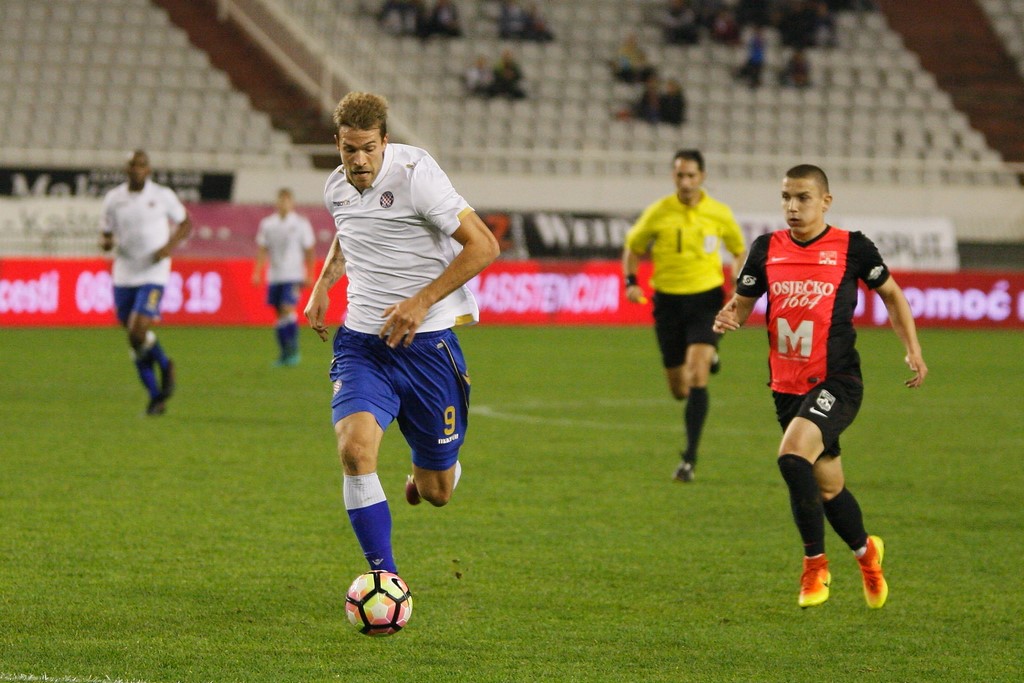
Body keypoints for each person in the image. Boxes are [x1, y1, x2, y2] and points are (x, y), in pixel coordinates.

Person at [713, 164, 927, 609]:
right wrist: (729, 315)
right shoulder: (766, 248)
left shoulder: (852, 247)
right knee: (827, 487)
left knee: (792, 459)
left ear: (825, 201)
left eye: (803, 198)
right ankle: (868, 554)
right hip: (786, 385)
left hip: (837, 380)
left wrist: (912, 348)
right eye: (786, 197)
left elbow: (892, 294)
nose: (793, 206)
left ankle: (815, 567)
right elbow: (743, 305)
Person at [304, 92, 499, 576]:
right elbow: (348, 234)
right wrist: (323, 286)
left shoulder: (417, 177)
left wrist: (421, 301)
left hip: (427, 346)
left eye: (369, 147)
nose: (360, 159)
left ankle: (426, 470)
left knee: (437, 494)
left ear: (385, 141)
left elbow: (485, 246)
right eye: (350, 149)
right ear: (338, 144)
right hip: (363, 344)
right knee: (353, 451)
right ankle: (384, 578)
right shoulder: (336, 188)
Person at [623, 149, 745, 482]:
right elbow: (634, 248)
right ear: (674, 177)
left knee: (697, 373)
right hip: (668, 304)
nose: (686, 182)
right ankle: (711, 354)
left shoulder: (719, 214)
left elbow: (738, 249)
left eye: (692, 175)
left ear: (702, 177)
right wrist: (631, 282)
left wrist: (738, 278)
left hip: (707, 299)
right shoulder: (658, 213)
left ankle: (689, 459)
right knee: (679, 389)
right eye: (680, 175)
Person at [99, 150, 192, 416]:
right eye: (132, 166)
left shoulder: (162, 195)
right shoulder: (113, 199)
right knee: (135, 339)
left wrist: (169, 247)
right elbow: (105, 233)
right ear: (126, 169)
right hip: (124, 272)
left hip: (154, 272)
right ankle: (156, 396)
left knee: (137, 330)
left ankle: (164, 366)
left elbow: (186, 222)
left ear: (148, 170)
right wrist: (105, 242)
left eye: (142, 165)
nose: (137, 169)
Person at [252, 187, 316, 366]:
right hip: (275, 275)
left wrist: (310, 274)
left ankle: (293, 350)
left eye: (287, 200)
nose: (284, 204)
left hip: (294, 274)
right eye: (281, 200)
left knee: (288, 308)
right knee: (279, 314)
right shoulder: (268, 224)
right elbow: (263, 249)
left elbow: (309, 250)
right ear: (277, 202)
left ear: (292, 203)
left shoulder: (301, 223)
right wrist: (257, 272)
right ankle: (284, 353)